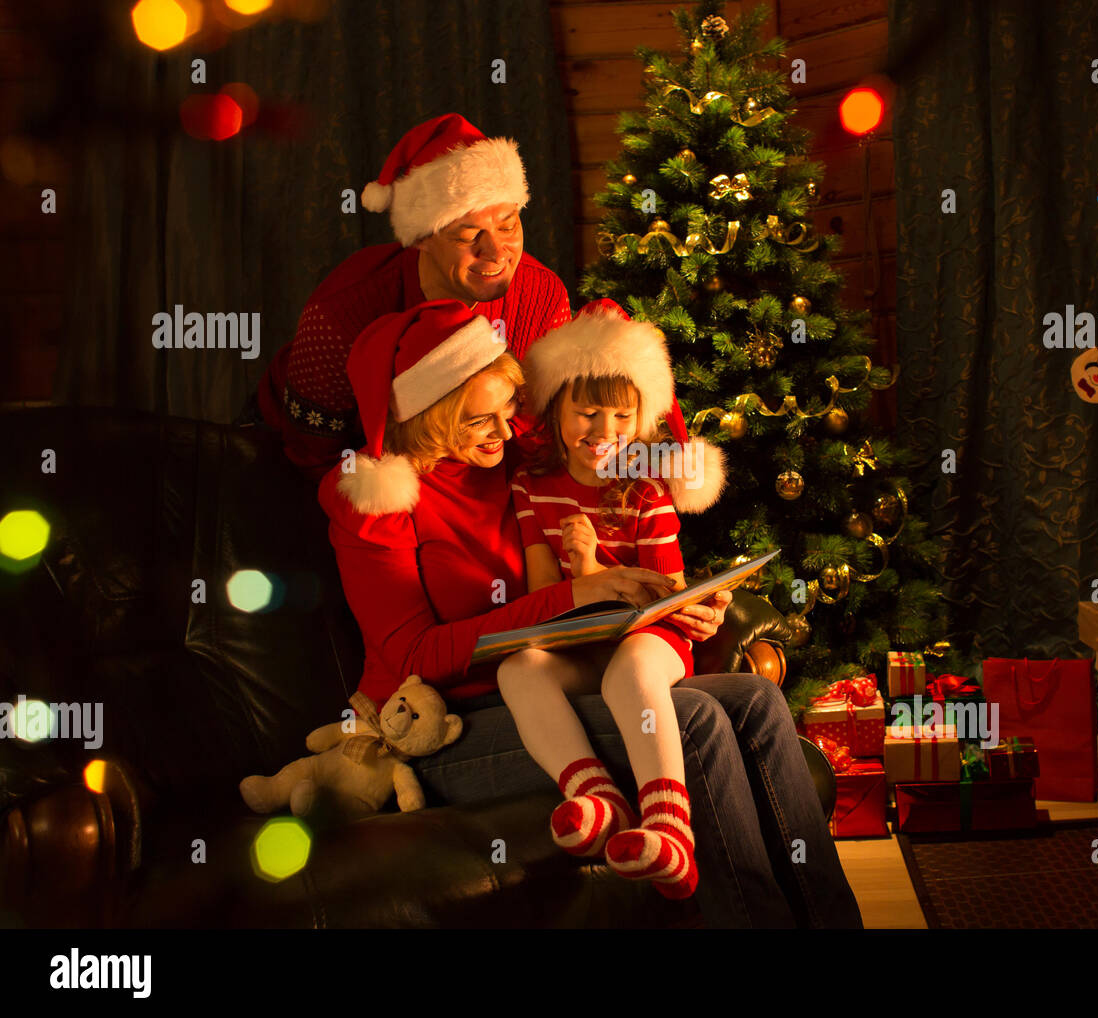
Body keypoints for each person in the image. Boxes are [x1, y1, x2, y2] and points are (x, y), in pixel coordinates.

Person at [317, 299, 864, 928]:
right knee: (696, 719)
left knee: (757, 703)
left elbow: (611, 426)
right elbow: (415, 656)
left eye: (507, 412)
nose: (504, 431)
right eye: (479, 421)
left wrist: (685, 603)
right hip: (445, 722)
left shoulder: (512, 459)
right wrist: (572, 597)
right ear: (429, 417)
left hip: (564, 670)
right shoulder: (378, 503)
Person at [499, 300, 727, 899]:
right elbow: (543, 598)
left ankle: (670, 828)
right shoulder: (532, 488)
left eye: (622, 418)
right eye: (588, 413)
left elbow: (664, 592)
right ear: (555, 410)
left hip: (651, 645)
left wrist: (598, 564)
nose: (604, 434)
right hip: (581, 643)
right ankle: (596, 798)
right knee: (519, 669)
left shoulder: (647, 488)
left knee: (630, 669)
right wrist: (578, 572)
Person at [243, 113, 571, 479]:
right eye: (467, 234)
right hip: (304, 454)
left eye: (508, 225)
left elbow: (542, 434)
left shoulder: (542, 294)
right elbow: (313, 458)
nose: (497, 252)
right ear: (420, 238)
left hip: (465, 469)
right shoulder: (341, 312)